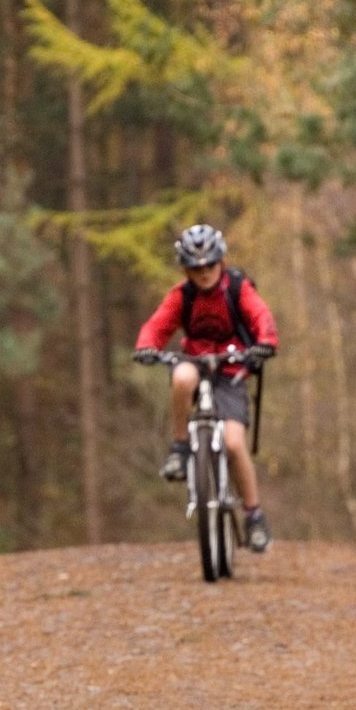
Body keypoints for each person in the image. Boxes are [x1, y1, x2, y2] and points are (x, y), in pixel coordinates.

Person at [134, 223, 279, 553]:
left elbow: (261, 316)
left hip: (232, 370)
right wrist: (146, 346)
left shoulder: (238, 288)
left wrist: (266, 342)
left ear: (221, 262)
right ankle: (180, 447)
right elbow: (157, 325)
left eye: (210, 265)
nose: (204, 273)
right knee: (182, 377)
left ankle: (254, 515)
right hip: (196, 363)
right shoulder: (181, 296)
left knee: (232, 442)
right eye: (196, 268)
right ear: (186, 269)